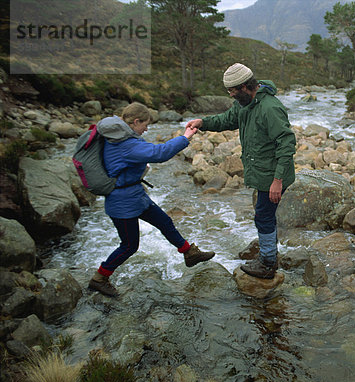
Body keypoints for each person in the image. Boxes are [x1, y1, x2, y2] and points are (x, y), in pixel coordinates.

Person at [88, 102, 215, 297]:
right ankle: (99, 278)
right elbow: (159, 153)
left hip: (134, 196)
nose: (147, 129)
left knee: (164, 221)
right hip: (122, 202)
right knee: (129, 246)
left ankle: (189, 253)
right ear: (136, 121)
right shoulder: (125, 144)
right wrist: (185, 137)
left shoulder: (119, 135)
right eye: (145, 124)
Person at [186, 63, 296, 279]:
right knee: (266, 214)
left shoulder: (269, 108)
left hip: (271, 174)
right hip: (261, 171)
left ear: (245, 86)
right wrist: (203, 123)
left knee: (263, 216)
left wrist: (277, 180)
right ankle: (270, 255)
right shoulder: (245, 105)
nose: (232, 96)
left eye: (233, 91)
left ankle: (267, 264)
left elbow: (286, 143)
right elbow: (227, 120)